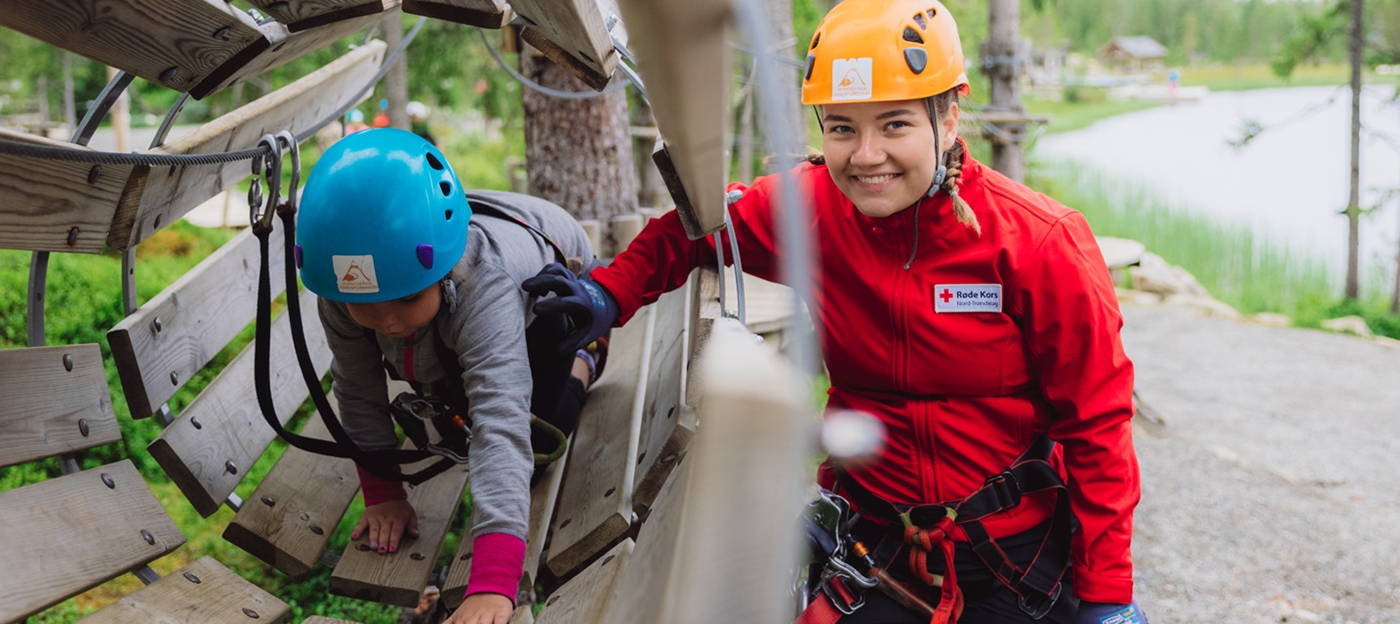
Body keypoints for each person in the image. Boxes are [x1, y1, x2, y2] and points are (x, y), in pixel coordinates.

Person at [521, 1, 1144, 623]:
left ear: (949, 115)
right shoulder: (810, 210)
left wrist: (1109, 594)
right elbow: (693, 230)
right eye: (842, 127)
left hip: (1012, 560)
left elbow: (1097, 423)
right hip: (876, 549)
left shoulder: (1037, 242)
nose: (867, 155)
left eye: (895, 124)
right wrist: (608, 294)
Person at [296, 128, 603, 624]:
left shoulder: (485, 283)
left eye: (407, 298)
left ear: (441, 271)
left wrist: (493, 583)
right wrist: (384, 494)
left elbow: (500, 421)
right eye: (366, 306)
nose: (389, 321)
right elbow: (357, 390)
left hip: (555, 284)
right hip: (463, 269)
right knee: (447, 381)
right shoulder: (340, 288)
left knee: (534, 451)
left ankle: (583, 359)